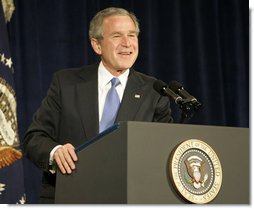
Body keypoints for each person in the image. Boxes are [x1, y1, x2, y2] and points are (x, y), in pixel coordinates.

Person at [23, 7, 173, 203]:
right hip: (71, 196)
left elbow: (165, 150)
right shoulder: (66, 83)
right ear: (97, 45)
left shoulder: (155, 91)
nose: (127, 43)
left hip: (131, 198)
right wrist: (55, 152)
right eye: (117, 36)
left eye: (132, 35)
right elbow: (34, 138)